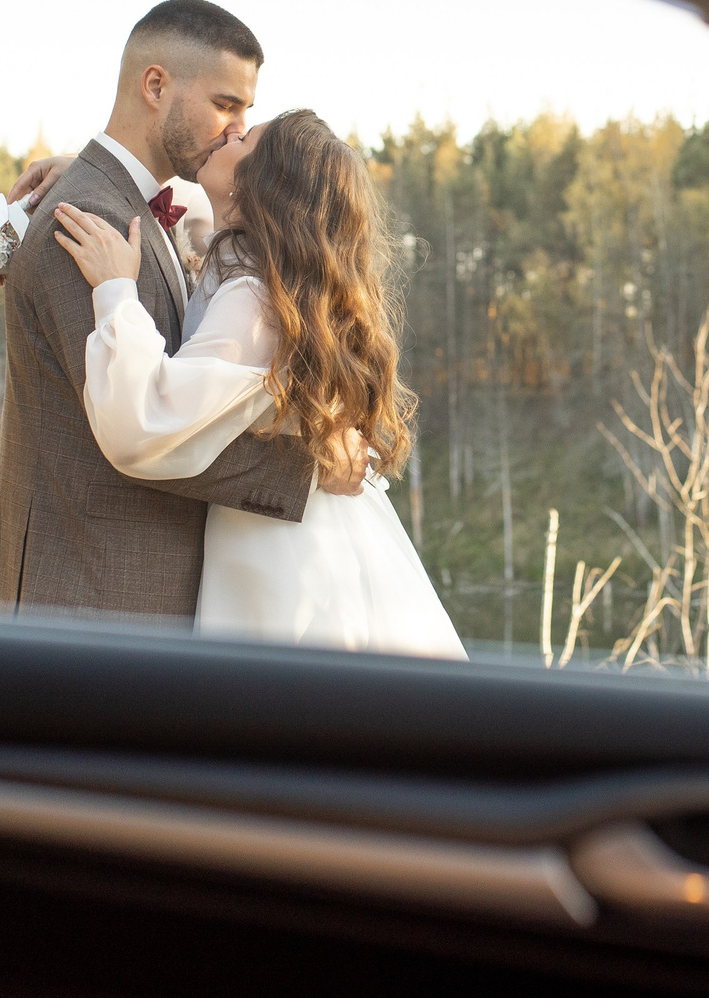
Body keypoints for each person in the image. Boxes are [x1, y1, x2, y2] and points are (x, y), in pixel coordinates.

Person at [0, 0, 359, 620]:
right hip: (86, 594)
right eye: (227, 105)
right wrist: (305, 465)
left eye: (246, 114)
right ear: (155, 86)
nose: (235, 130)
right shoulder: (90, 219)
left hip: (112, 590)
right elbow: (138, 431)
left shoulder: (134, 209)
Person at [49, 109, 467, 659]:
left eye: (244, 138)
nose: (228, 131)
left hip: (281, 562)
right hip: (316, 538)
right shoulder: (275, 282)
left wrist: (115, 292)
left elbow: (147, 423)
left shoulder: (252, 300)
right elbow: (196, 210)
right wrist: (90, 173)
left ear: (265, 184)